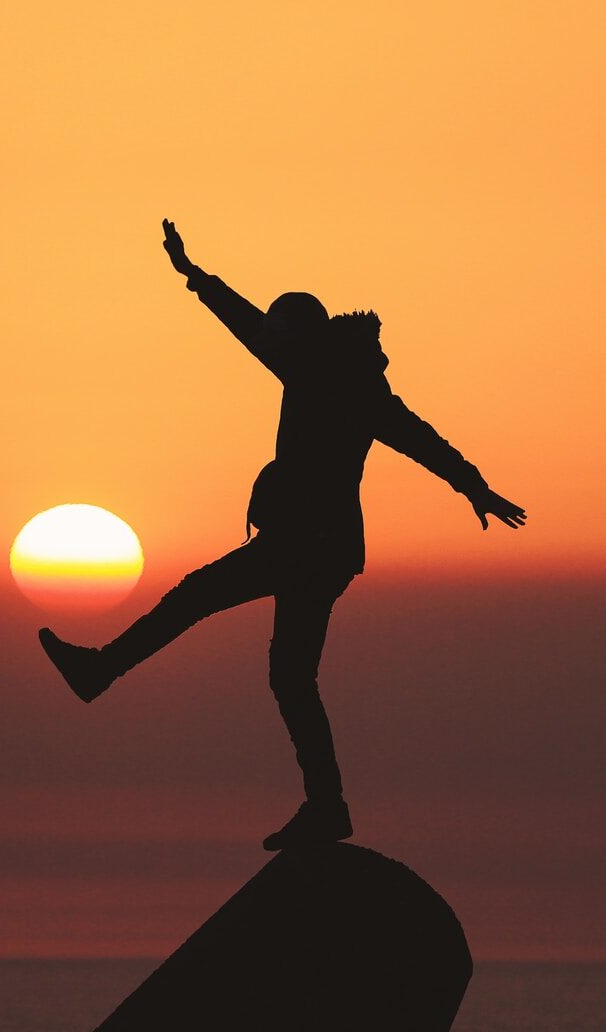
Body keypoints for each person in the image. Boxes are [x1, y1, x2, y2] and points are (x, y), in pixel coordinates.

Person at [39, 219, 526, 850]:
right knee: (290, 676)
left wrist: (196, 279)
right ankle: (326, 807)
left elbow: (415, 436)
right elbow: (419, 435)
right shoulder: (351, 380)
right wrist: (474, 486)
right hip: (325, 551)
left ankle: (100, 672)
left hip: (304, 545)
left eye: (280, 335)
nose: (273, 346)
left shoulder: (323, 373)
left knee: (198, 598)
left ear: (299, 336)